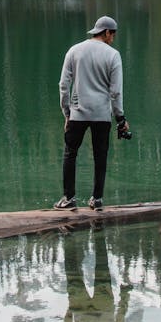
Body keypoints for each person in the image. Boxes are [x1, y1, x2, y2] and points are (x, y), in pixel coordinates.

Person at [54, 15, 130, 211]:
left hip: (77, 113)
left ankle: (69, 198)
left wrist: (67, 113)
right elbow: (116, 92)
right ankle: (97, 199)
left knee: (70, 154)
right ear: (106, 33)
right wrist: (120, 118)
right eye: (112, 34)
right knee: (100, 156)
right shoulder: (113, 55)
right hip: (102, 115)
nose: (113, 38)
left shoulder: (74, 50)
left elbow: (63, 85)